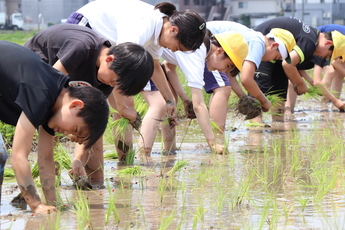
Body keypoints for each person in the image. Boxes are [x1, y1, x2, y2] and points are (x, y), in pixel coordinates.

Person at [66, 0, 206, 161]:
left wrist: (169, 101)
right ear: (173, 30)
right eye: (178, 47)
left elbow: (154, 65)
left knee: (118, 107)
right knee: (100, 104)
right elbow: (119, 67)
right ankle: (93, 164)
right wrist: (121, 107)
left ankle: (124, 162)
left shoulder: (159, 30)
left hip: (108, 46)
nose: (174, 51)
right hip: (86, 30)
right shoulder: (141, 27)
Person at [24, 23, 154, 187]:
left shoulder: (106, 81)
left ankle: (77, 176)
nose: (112, 85)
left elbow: (91, 118)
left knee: (84, 122)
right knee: (52, 122)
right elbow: (49, 86)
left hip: (61, 85)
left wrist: (78, 158)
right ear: (109, 60)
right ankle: (44, 175)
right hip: (36, 68)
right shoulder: (82, 47)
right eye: (115, 80)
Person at [0, 41, 109, 213]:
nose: (67, 134)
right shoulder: (41, 94)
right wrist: (36, 205)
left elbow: (46, 158)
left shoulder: (54, 103)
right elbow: (19, 156)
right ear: (75, 105)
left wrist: (53, 203)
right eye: (75, 130)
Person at [156, 21, 296, 153]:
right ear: (274, 45)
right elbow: (246, 79)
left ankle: (169, 150)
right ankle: (217, 141)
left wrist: (244, 97)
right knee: (222, 89)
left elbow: (229, 74)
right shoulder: (257, 42)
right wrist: (264, 101)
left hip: (191, 44)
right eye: (276, 57)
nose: (271, 60)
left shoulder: (250, 38)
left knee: (171, 99)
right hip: (205, 47)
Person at [156, 30, 248, 154]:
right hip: (143, 53)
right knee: (157, 105)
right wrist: (213, 144)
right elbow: (198, 105)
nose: (222, 71)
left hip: (151, 54)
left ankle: (168, 152)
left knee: (170, 101)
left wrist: (184, 98)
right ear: (219, 51)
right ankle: (143, 157)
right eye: (227, 66)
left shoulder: (198, 48)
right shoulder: (196, 51)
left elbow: (168, 66)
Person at [251, 17, 345, 123]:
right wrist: (301, 84)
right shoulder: (310, 42)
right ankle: (255, 123)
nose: (324, 58)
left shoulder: (311, 39)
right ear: (328, 44)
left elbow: (288, 64)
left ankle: (278, 124)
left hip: (279, 51)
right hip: (265, 44)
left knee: (280, 87)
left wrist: (296, 81)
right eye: (327, 55)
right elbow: (288, 64)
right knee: (262, 82)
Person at [284, 24, 345, 114]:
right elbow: (335, 62)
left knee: (335, 73)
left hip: (325, 43)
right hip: (320, 39)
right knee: (330, 71)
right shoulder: (318, 47)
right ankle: (288, 110)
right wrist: (312, 83)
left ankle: (332, 103)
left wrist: (310, 82)